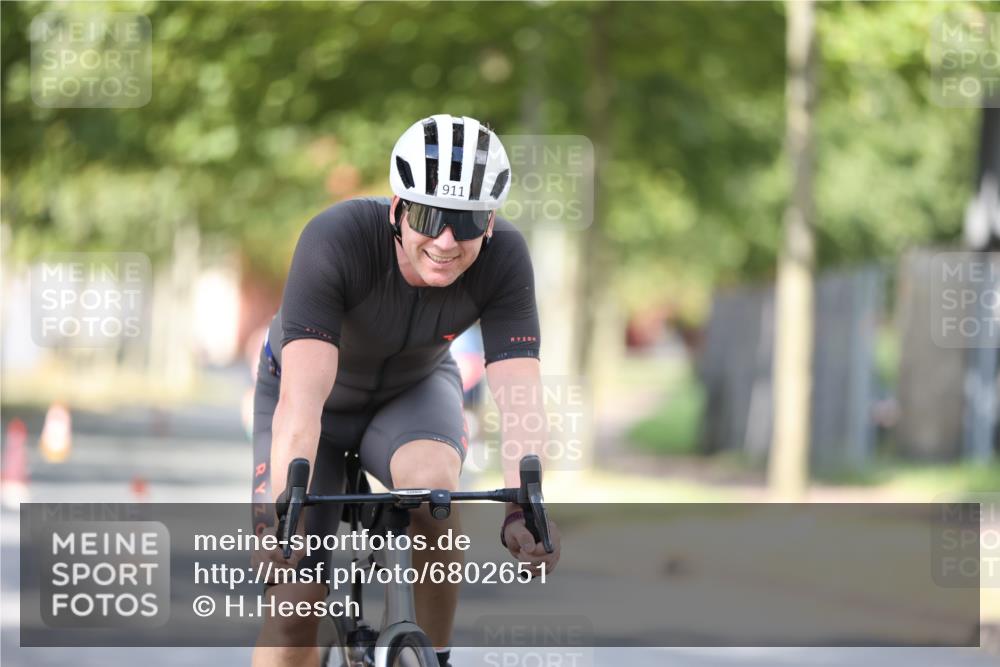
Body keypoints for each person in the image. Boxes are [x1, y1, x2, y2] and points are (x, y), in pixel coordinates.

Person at [251, 114, 562, 667]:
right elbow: (301, 406)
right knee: (294, 604)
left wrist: (523, 509)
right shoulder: (335, 239)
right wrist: (285, 522)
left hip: (413, 390)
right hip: (308, 403)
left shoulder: (507, 258)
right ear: (397, 209)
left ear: (489, 223)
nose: (445, 241)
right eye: (427, 216)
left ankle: (433, 657)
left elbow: (520, 397)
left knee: (433, 491)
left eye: (465, 223)